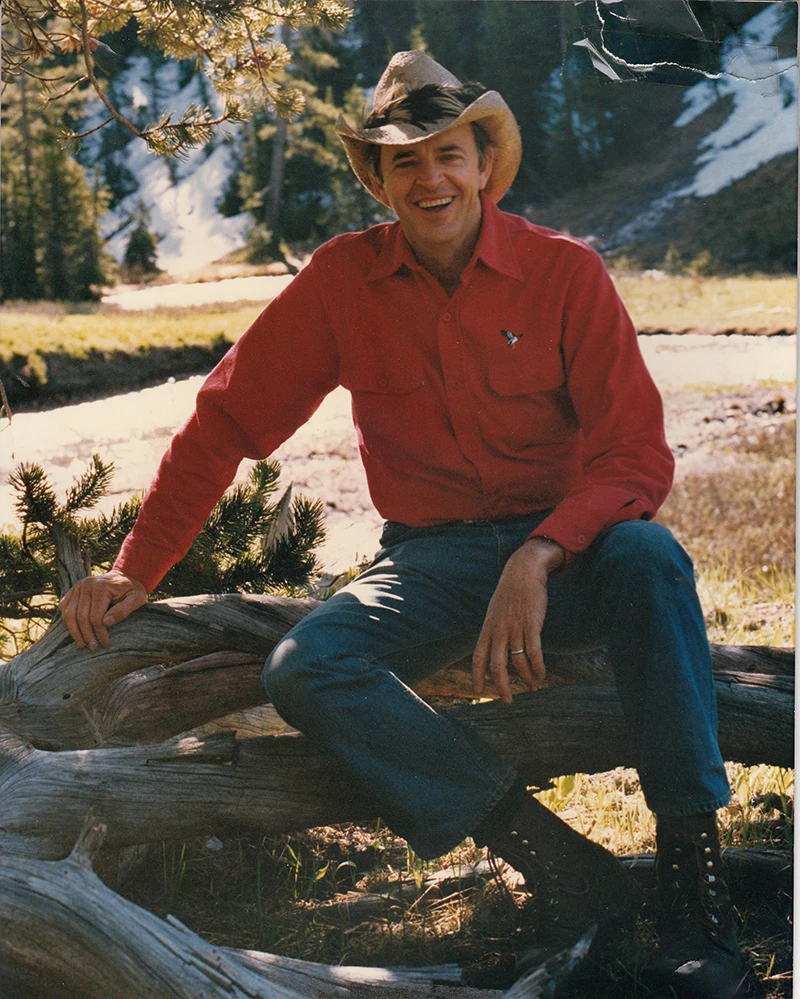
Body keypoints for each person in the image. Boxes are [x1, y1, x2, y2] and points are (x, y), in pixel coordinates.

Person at [61, 51, 752, 999]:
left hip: (576, 551)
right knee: (308, 665)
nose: (430, 178)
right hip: (431, 561)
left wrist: (543, 553)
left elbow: (636, 455)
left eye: (448, 154)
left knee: (652, 554)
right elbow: (226, 417)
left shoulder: (565, 273)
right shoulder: (343, 281)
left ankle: (692, 892)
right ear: (378, 178)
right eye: (404, 161)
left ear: (484, 164)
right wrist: (141, 565)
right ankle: (555, 863)